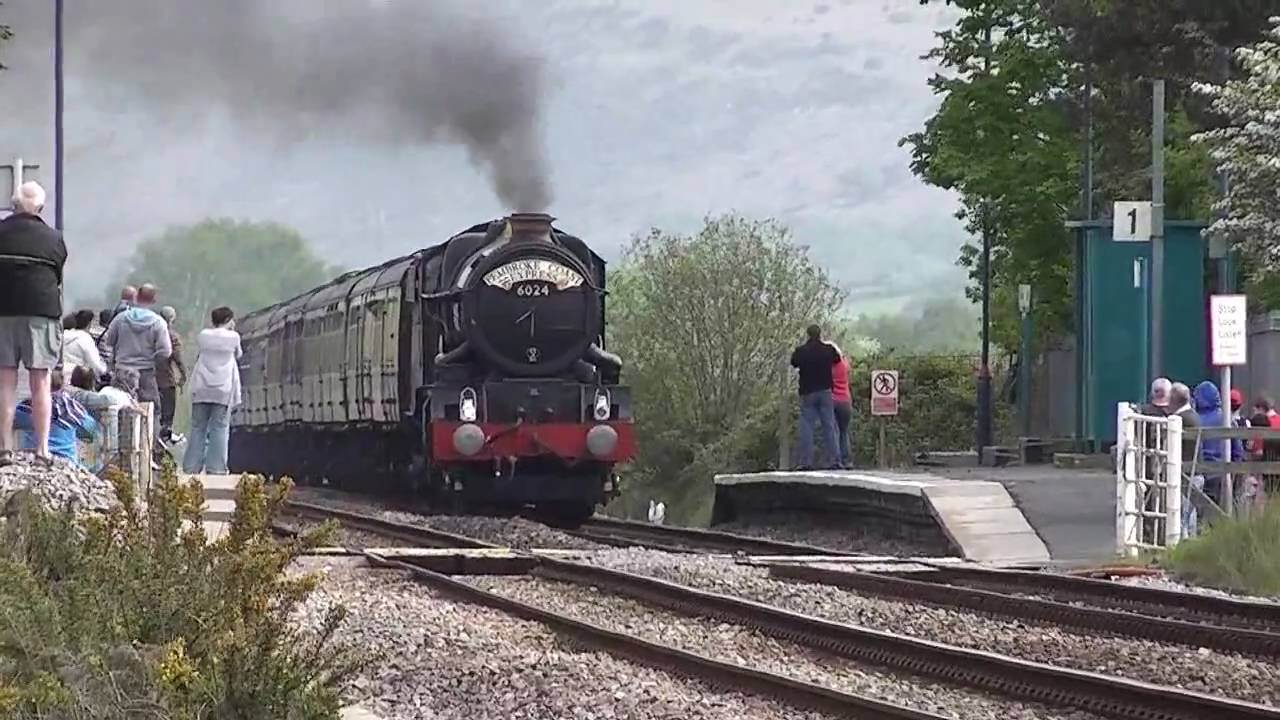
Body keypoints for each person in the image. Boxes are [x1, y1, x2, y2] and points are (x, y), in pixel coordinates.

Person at [0, 181, 68, 468]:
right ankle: (42, 449)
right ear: (40, 208)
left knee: (5, 381)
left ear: (13, 205)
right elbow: (58, 274)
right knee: (40, 381)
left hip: (2, 312)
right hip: (41, 314)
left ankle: (4, 449)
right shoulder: (53, 238)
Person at [184, 306, 242, 474]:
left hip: (201, 386)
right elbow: (238, 354)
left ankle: (191, 467)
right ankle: (216, 467)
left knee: (197, 427)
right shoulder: (234, 337)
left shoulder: (203, 335)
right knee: (220, 428)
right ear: (228, 320)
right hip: (223, 388)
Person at [103, 283, 172, 418]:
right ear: (154, 300)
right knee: (152, 411)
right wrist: (153, 359)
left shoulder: (121, 318)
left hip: (122, 371)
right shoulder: (158, 323)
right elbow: (166, 351)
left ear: (136, 297)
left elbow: (109, 341)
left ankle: (119, 438)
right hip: (145, 373)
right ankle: (148, 439)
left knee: (119, 409)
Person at [13, 370, 98, 467]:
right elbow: (91, 430)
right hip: (67, 462)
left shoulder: (26, 409)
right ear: (62, 384)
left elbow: (8, 421)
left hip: (32, 459)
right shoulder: (72, 410)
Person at [789, 324, 841, 470]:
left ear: (807, 334)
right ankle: (835, 460)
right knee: (829, 426)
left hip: (807, 392)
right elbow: (837, 359)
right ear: (820, 334)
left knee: (807, 427)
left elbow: (793, 362)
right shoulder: (828, 350)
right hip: (825, 391)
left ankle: (806, 462)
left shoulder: (802, 351)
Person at [1192, 381, 1243, 506]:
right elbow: (1238, 450)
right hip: (1223, 473)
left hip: (1200, 473)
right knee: (1222, 509)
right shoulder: (1227, 419)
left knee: (1199, 512)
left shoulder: (1195, 420)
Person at [155, 305, 187, 445]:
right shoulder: (172, 336)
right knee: (166, 417)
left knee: (153, 415)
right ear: (172, 319)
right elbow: (178, 358)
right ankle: (161, 444)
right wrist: (183, 375)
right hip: (166, 381)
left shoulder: (151, 333)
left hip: (149, 380)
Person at [62, 309, 108, 381]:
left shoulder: (64, 335)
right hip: (78, 379)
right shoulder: (85, 339)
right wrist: (105, 370)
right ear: (89, 323)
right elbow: (96, 365)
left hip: (62, 376)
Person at [827, 341, 853, 467]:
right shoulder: (844, 364)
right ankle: (847, 460)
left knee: (833, 431)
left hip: (831, 400)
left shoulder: (827, 367)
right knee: (844, 431)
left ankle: (836, 460)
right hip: (845, 401)